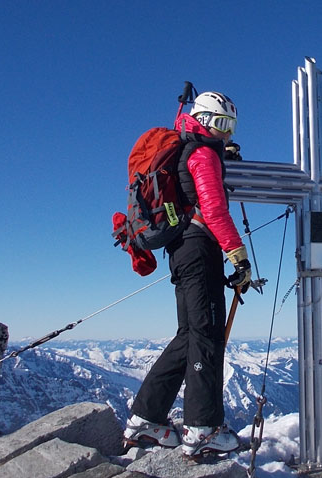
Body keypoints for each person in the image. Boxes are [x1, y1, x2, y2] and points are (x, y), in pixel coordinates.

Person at [123, 91, 251, 456]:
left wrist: (220, 155)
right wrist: (238, 256)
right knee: (208, 335)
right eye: (223, 126)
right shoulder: (202, 153)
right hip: (200, 247)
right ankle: (203, 428)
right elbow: (212, 208)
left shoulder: (190, 148)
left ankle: (146, 419)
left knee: (189, 335)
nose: (227, 134)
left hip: (181, 251)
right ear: (208, 121)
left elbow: (191, 188)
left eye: (231, 127)